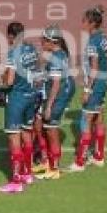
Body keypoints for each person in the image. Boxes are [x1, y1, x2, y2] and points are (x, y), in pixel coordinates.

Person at [0, 21, 41, 194]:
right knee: (27, 134)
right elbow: (37, 74)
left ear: (10, 36)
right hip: (31, 96)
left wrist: (3, 79)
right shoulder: (31, 50)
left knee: (14, 138)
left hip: (17, 99)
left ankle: (16, 181)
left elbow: (9, 81)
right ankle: (27, 173)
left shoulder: (13, 52)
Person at [71, 6, 107, 172]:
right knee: (99, 118)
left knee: (86, 120)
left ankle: (80, 161)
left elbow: (94, 66)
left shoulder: (92, 42)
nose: (82, 23)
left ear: (92, 23)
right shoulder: (102, 37)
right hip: (104, 81)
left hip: (96, 85)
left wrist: (87, 90)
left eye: (85, 21)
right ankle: (99, 156)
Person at [36, 25, 75, 181]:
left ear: (51, 41)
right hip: (59, 92)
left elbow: (56, 84)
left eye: (43, 39)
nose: (41, 42)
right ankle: (48, 163)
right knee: (44, 126)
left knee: (51, 130)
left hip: (57, 95)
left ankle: (54, 168)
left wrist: (49, 106)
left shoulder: (56, 58)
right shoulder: (59, 53)